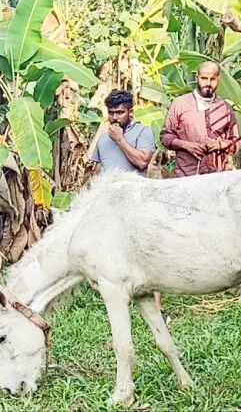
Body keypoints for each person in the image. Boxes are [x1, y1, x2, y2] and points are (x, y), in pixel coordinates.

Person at [89, 89, 167, 322]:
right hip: (111, 207)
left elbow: (142, 160)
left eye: (120, 113)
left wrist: (120, 140)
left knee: (146, 253)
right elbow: (97, 170)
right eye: (111, 113)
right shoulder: (103, 139)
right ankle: (120, 306)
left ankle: (158, 308)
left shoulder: (142, 132)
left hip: (138, 203)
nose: (115, 118)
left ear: (130, 112)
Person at [161, 61, 241, 177]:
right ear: (197, 77)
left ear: (218, 79)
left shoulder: (225, 109)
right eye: (204, 78)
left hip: (217, 177)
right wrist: (185, 145)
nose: (208, 83)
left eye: (212, 79)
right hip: (186, 176)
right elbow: (165, 136)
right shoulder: (180, 104)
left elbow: (237, 142)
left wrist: (219, 145)